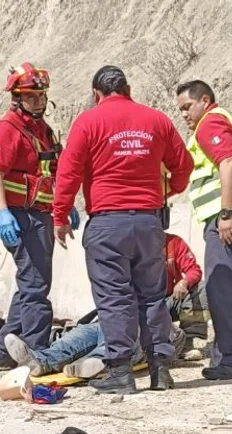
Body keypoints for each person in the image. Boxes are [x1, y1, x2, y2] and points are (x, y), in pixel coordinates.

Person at [52, 66, 193, 395]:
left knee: (115, 298)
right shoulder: (156, 120)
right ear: (128, 89)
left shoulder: (88, 122)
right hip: (149, 223)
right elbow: (183, 166)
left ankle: (120, 372)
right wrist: (166, 192)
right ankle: (160, 371)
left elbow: (68, 173)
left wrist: (60, 216)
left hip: (108, 224)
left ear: (96, 94)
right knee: (152, 296)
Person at [0, 62, 78, 369]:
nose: (38, 102)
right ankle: (38, 352)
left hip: (40, 214)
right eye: (31, 97)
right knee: (36, 286)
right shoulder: (8, 129)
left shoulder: (42, 130)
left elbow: (51, 171)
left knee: (30, 283)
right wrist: (3, 213)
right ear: (17, 98)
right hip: (20, 217)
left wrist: (65, 204)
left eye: (41, 96)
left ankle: (3, 351)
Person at [175, 80, 232, 381]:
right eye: (180, 110)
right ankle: (228, 357)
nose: (184, 114)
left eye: (188, 107)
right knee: (228, 289)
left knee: (221, 288)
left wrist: (227, 213)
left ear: (204, 100)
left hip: (226, 219)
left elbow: (228, 162)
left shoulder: (210, 123)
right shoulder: (223, 120)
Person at [4, 320, 183, 381]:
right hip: (105, 323)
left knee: (121, 338)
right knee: (77, 337)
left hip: (141, 328)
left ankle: (95, 362)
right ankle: (40, 360)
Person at [164, 232, 210, 347]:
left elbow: (193, 270)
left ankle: (190, 341)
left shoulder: (173, 242)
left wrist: (184, 282)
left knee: (201, 288)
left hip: (169, 302)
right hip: (143, 307)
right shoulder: (132, 246)